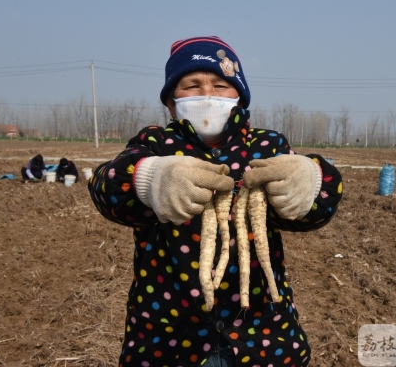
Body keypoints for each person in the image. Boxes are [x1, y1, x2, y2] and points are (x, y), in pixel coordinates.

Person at [87, 36, 343, 367]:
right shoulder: (155, 144)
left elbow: (313, 211)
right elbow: (104, 186)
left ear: (240, 97)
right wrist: (148, 179)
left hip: (260, 336)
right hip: (169, 338)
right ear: (170, 103)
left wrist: (311, 182)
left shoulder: (266, 146)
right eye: (191, 85)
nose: (207, 94)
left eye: (220, 85)